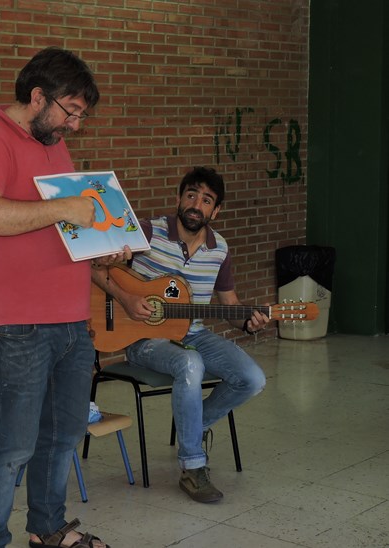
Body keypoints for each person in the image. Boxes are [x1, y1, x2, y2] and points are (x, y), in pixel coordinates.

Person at [0, 47, 125, 548]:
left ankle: (47, 529)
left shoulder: (53, 142)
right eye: (70, 111)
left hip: (70, 319)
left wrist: (101, 246)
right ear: (37, 97)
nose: (74, 125)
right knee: (10, 447)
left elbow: (60, 228)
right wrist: (63, 210)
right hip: (17, 325)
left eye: (80, 116)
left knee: (63, 435)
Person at [91, 166, 268, 503]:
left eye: (206, 200)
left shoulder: (219, 249)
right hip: (141, 339)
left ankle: (192, 425)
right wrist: (126, 299)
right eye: (191, 195)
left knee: (252, 378)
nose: (196, 205)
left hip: (194, 334)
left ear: (216, 211)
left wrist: (248, 322)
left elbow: (230, 305)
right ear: (179, 198)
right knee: (190, 363)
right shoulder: (148, 232)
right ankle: (192, 465)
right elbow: (94, 265)